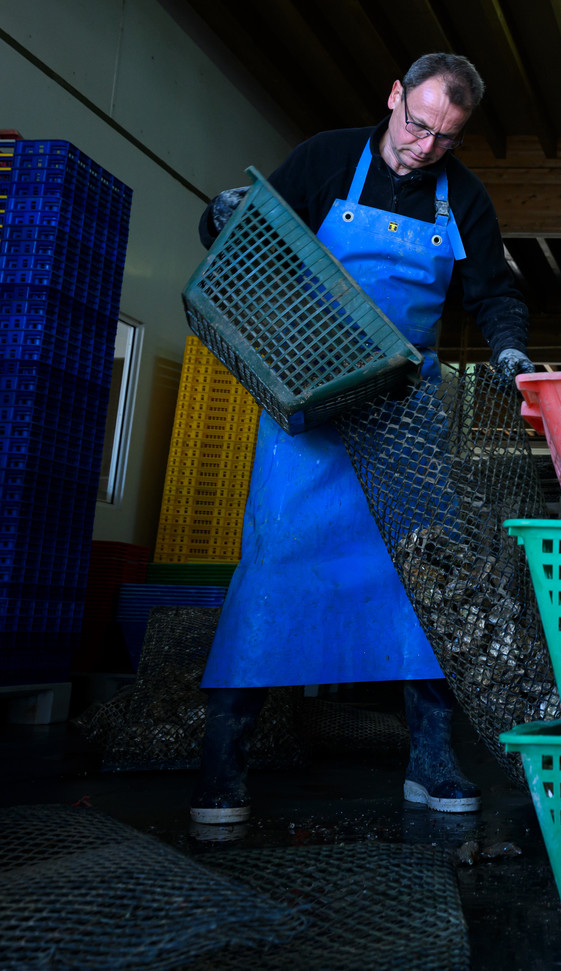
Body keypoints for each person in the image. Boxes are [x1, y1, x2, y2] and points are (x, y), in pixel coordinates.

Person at [190, 53, 536, 825]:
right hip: (309, 407)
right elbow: (250, 227)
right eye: (417, 125)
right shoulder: (325, 158)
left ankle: (432, 761)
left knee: (425, 585)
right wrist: (222, 210)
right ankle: (223, 768)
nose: (424, 148)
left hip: (405, 417)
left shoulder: (464, 200)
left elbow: (495, 292)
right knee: (273, 567)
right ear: (393, 98)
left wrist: (511, 350)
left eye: (446, 138)